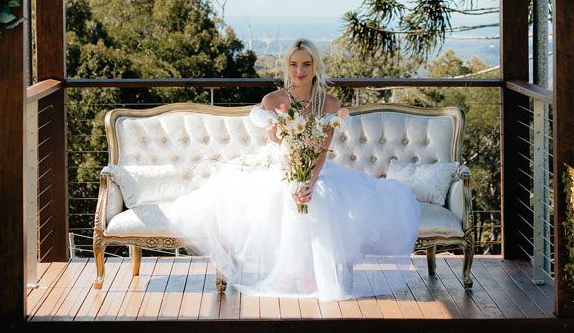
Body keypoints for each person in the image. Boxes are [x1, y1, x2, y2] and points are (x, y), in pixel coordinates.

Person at [170, 38, 422, 301]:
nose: (299, 71)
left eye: (306, 64)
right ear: (286, 66)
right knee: (280, 195)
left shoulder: (329, 104)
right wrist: (294, 180)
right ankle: (294, 274)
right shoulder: (272, 101)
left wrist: (308, 181)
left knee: (319, 196)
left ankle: (309, 274)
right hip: (279, 166)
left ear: (315, 67)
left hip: (316, 168)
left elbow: (322, 149)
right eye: (293, 64)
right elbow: (278, 142)